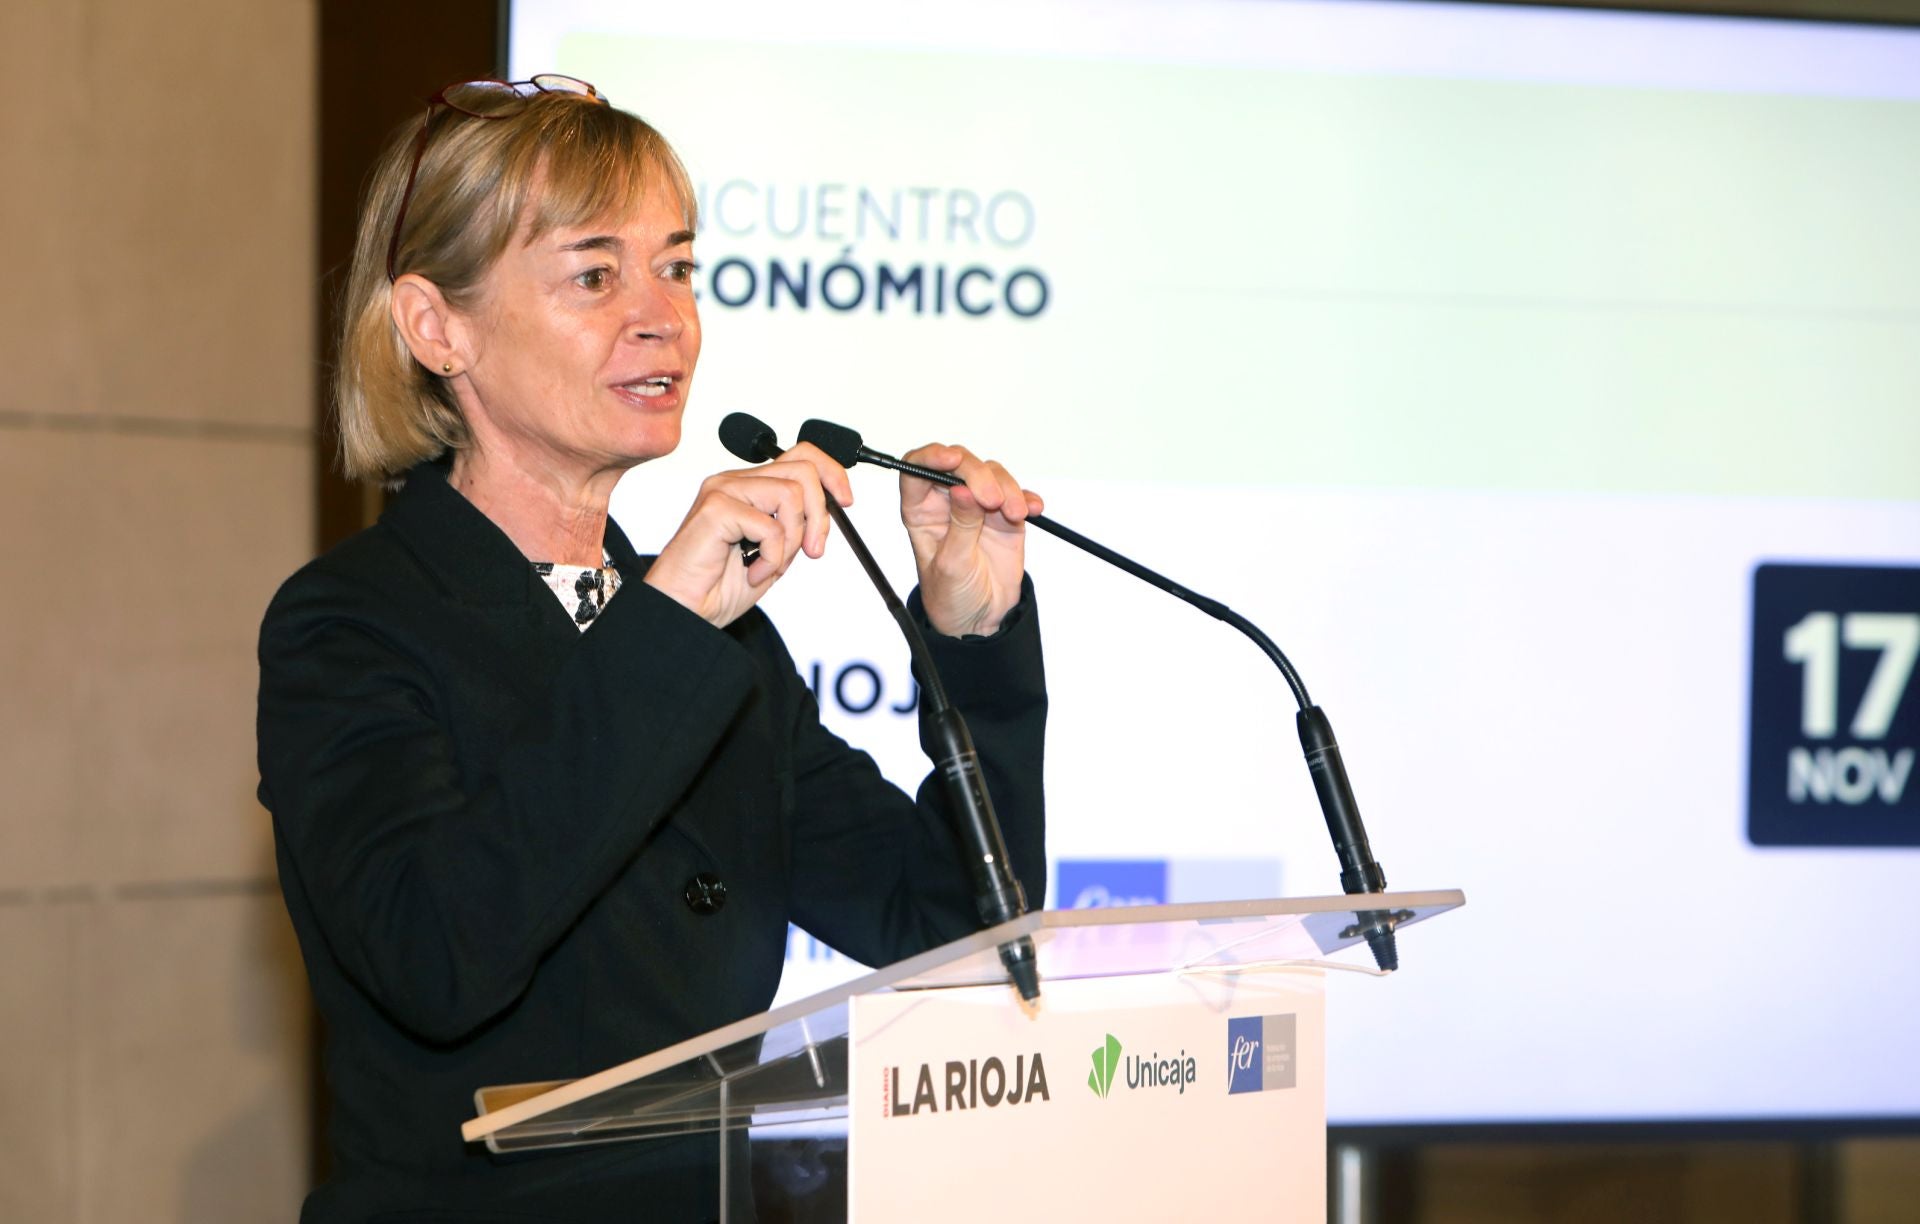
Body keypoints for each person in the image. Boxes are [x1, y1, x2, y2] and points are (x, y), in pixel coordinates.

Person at [256, 75, 1047, 1223]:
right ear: (438, 326)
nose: (662, 315)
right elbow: (435, 958)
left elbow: (957, 929)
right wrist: (664, 627)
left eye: (677, 266)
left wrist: (973, 637)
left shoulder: (713, 637)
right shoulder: (353, 624)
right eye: (594, 273)